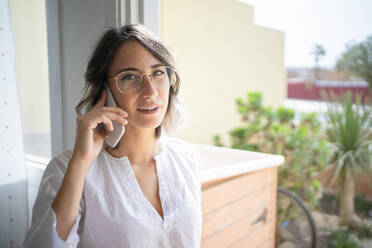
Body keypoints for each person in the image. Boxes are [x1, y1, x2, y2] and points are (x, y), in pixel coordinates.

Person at [23, 24, 202, 248]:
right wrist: (80, 161)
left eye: (157, 73)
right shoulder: (66, 168)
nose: (150, 92)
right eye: (129, 77)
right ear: (103, 91)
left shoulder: (187, 158)